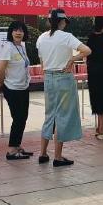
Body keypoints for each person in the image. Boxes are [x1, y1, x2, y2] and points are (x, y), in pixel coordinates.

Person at [36, 9, 92, 167]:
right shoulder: (66, 36)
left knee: (49, 115)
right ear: (62, 21)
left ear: (49, 21)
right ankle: (58, 156)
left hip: (48, 78)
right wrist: (72, 59)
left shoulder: (41, 38)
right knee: (62, 117)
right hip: (64, 78)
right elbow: (87, 50)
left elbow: (42, 63)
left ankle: (43, 154)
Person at [0, 21, 32, 160]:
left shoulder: (22, 47)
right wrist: (2, 83)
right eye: (15, 30)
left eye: (21, 30)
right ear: (11, 32)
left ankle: (17, 146)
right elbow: (0, 69)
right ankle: (11, 150)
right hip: (12, 88)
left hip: (23, 87)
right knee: (18, 118)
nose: (18, 33)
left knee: (23, 118)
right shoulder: (8, 47)